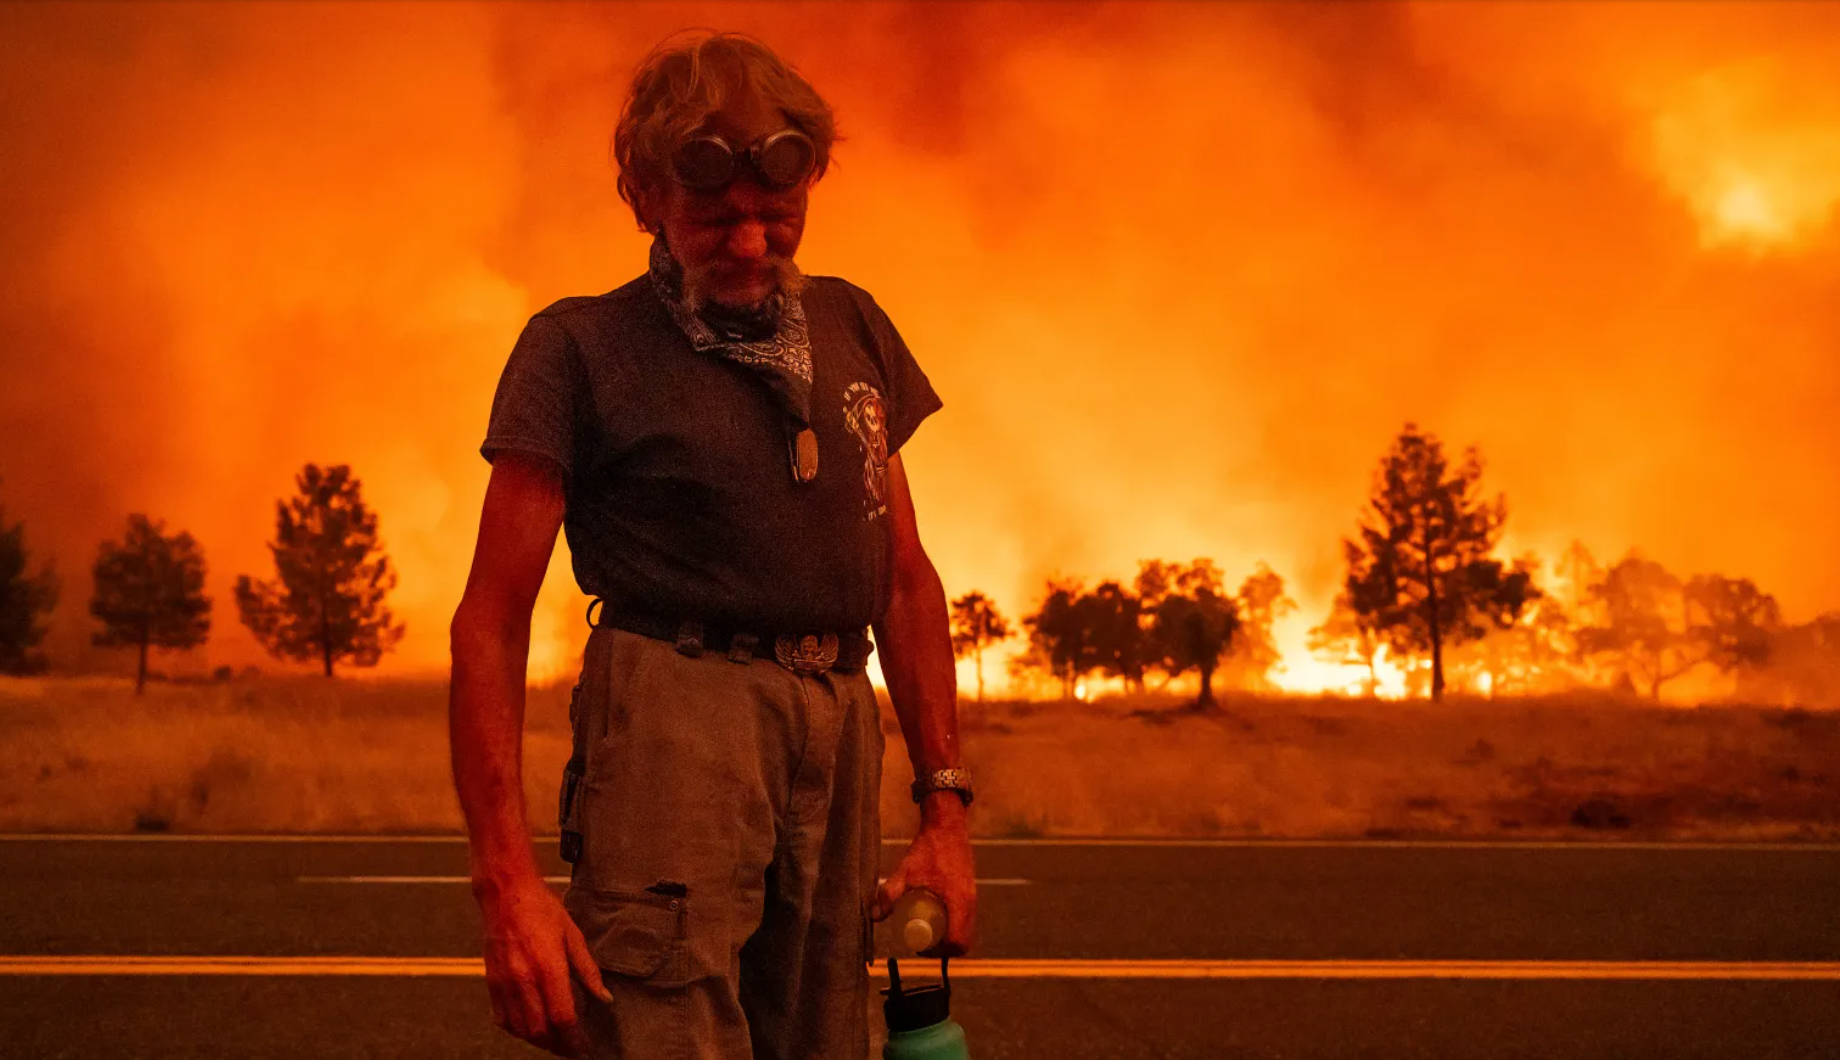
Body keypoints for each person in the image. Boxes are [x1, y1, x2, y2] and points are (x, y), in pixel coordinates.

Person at [448, 30, 978, 1060]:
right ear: (645, 198)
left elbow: (903, 578)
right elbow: (491, 617)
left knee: (829, 1037)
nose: (748, 243)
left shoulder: (851, 323)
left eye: (776, 212)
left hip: (839, 719)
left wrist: (945, 812)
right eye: (714, 216)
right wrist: (505, 880)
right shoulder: (577, 348)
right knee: (667, 1030)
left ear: (811, 180)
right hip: (675, 718)